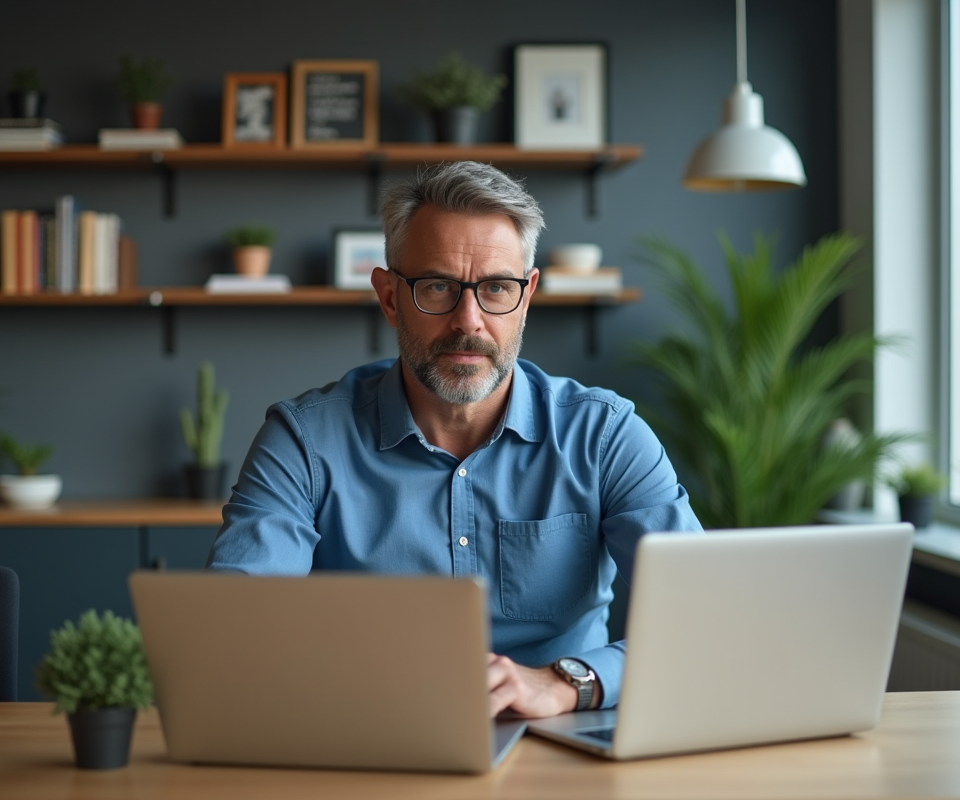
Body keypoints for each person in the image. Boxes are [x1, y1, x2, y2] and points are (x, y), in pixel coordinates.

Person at [207, 160, 702, 719]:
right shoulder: (303, 442)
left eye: (497, 288)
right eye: (438, 287)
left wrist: (563, 684)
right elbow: (235, 630)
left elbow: (701, 619)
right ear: (389, 297)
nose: (469, 320)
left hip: (566, 736)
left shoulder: (605, 436)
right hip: (370, 734)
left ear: (526, 297)